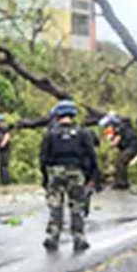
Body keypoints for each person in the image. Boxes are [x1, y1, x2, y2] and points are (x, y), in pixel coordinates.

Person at [40, 100, 99, 252]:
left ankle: (52, 237)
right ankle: (79, 238)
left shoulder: (50, 134)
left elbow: (43, 158)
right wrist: (93, 177)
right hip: (76, 173)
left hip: (56, 173)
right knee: (77, 207)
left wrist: (45, 178)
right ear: (73, 115)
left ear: (58, 115)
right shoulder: (83, 133)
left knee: (55, 207)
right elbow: (92, 156)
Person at [101, 115, 137, 190]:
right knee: (122, 162)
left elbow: (116, 141)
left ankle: (121, 183)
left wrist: (108, 147)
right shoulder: (126, 128)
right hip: (135, 147)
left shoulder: (121, 128)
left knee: (121, 161)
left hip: (132, 147)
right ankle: (124, 182)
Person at [0, 114, 12, 185]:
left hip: (5, 149)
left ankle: (6, 181)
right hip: (0, 149)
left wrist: (1, 145)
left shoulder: (5, 128)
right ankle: (2, 181)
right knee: (1, 166)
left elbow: (7, 137)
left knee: (4, 165)